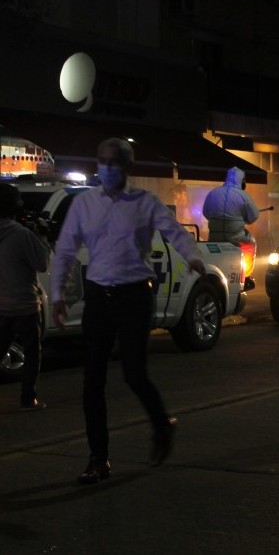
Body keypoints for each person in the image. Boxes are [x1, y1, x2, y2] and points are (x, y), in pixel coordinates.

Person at [51, 137, 206, 485]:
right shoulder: (84, 204)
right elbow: (64, 249)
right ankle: (98, 458)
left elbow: (174, 232)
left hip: (135, 294)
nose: (107, 168)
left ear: (127, 167)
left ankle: (161, 426)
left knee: (134, 373)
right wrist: (58, 292)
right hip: (98, 295)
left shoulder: (144, 202)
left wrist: (192, 256)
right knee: (92, 380)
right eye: (102, 161)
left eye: (115, 162)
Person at [0, 182, 49, 410]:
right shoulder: (21, 234)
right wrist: (42, 236)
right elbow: (41, 263)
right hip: (25, 304)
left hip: (1, 304)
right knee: (32, 353)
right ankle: (28, 398)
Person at [202, 166, 259, 244]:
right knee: (252, 241)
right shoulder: (244, 195)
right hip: (237, 238)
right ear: (241, 180)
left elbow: (205, 212)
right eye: (244, 180)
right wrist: (244, 219)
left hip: (215, 237)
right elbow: (254, 216)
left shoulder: (212, 193)